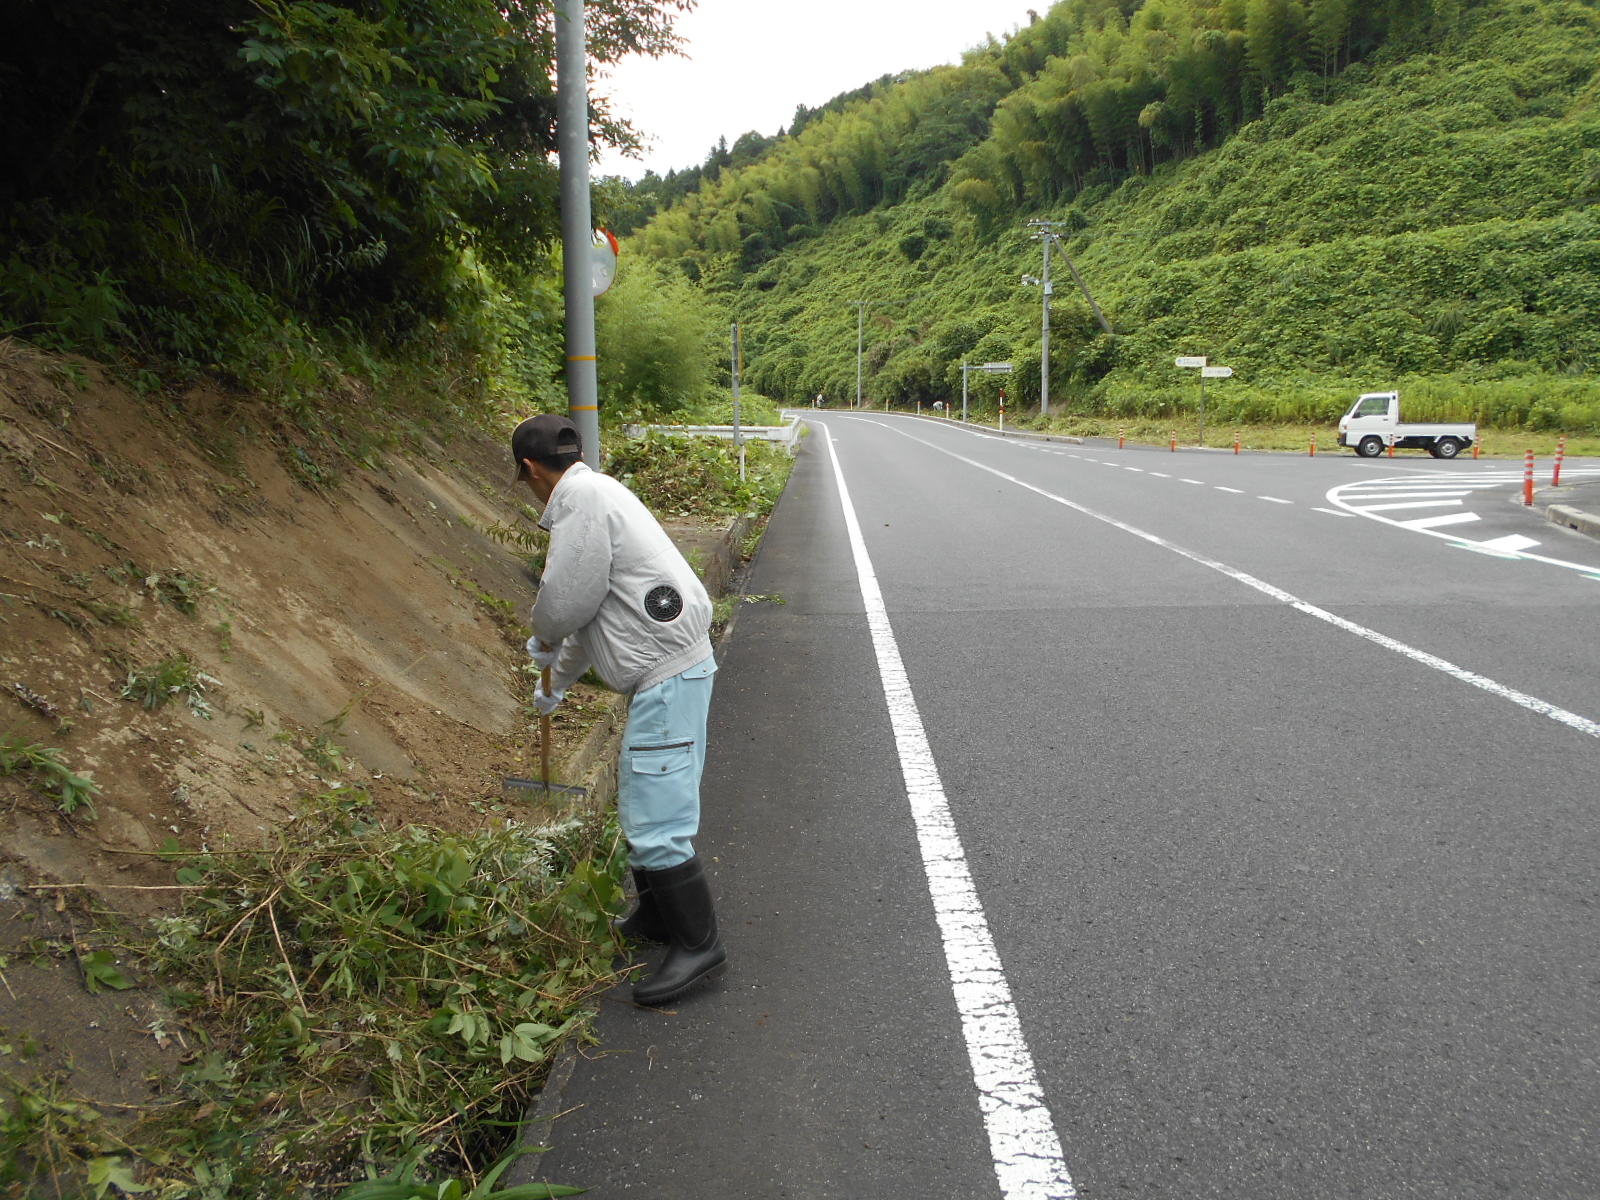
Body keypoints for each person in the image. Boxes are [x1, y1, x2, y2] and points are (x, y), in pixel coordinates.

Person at [511, 414, 726, 1006]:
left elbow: (566, 599)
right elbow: (592, 610)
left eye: (524, 480)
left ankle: (699, 942)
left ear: (530, 469)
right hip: (668, 672)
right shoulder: (598, 493)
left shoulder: (579, 500)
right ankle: (657, 919)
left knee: (658, 811)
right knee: (643, 798)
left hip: (669, 676)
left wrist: (543, 634)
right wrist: (559, 677)